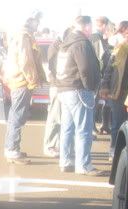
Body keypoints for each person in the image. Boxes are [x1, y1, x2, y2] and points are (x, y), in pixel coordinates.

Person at [56, 16, 103, 176]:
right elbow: (86, 68)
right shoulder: (81, 43)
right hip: (79, 89)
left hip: (65, 88)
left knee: (67, 128)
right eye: (90, 27)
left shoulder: (66, 43)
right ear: (87, 26)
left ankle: (65, 161)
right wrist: (91, 87)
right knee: (84, 129)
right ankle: (83, 165)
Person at [3, 12, 45, 164]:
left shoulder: (20, 35)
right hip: (21, 81)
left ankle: (11, 148)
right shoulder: (24, 37)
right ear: (30, 21)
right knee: (18, 115)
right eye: (37, 21)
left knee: (16, 114)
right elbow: (25, 60)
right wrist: (33, 80)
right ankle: (12, 150)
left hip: (18, 80)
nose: (38, 24)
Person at [100, 22, 128, 162]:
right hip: (119, 93)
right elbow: (108, 70)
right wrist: (104, 86)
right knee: (117, 123)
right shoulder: (119, 50)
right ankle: (113, 151)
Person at [44, 31, 68, 158]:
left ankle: (57, 145)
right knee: (54, 117)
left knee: (61, 117)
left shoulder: (61, 46)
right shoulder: (55, 47)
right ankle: (50, 146)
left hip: (62, 86)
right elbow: (53, 68)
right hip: (57, 86)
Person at [91, 17, 111, 135]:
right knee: (93, 103)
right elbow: (100, 58)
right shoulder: (96, 38)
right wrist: (102, 75)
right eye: (107, 25)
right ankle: (92, 128)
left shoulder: (99, 38)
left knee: (98, 102)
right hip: (98, 75)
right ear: (104, 25)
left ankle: (101, 126)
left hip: (99, 75)